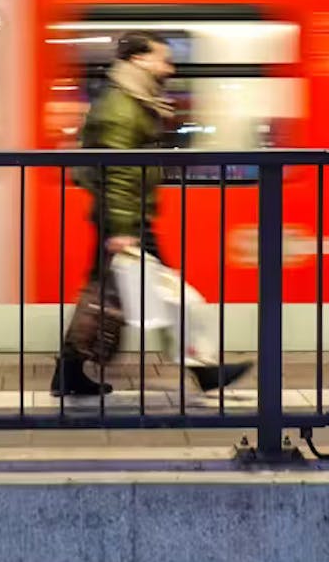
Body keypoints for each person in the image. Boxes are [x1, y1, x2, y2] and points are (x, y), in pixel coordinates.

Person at [52, 31, 252, 398]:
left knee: (106, 294)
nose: (169, 67)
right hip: (125, 216)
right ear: (139, 59)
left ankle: (69, 372)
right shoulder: (122, 106)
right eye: (162, 58)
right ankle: (202, 370)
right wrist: (123, 227)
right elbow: (119, 172)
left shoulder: (132, 99)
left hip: (123, 214)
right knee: (166, 292)